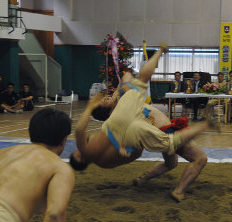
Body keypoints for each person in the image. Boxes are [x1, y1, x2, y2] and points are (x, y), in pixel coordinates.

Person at [70, 44, 215, 202]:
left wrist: (125, 146)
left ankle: (142, 179)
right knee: (198, 157)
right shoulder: (114, 115)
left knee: (171, 162)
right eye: (105, 100)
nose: (106, 98)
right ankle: (179, 190)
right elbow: (79, 130)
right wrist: (93, 104)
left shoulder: (103, 160)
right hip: (155, 129)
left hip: (132, 134)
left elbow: (133, 154)